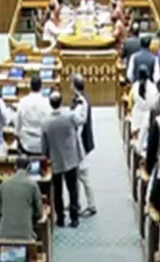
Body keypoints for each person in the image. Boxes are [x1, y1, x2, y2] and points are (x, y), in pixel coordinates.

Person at [42, 91, 83, 227]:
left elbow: (44, 145)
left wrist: (46, 157)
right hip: (71, 158)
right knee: (73, 189)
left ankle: (60, 218)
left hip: (55, 160)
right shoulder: (69, 115)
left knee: (57, 191)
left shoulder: (45, 121)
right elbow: (81, 120)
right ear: (61, 102)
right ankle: (74, 218)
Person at [0, 157, 44, 241]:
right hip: (26, 236)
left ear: (15, 167)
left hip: (4, 236)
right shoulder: (33, 185)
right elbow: (39, 213)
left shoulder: (3, 185)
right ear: (29, 168)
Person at [69, 74, 96, 217]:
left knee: (84, 176)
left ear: (75, 86)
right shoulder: (80, 98)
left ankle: (92, 206)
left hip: (81, 144)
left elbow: (79, 124)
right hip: (79, 144)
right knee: (76, 175)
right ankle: (76, 202)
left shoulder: (81, 102)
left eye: (71, 83)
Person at [14, 75, 51, 155]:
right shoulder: (47, 103)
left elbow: (17, 125)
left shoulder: (23, 102)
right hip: (42, 143)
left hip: (26, 144)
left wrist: (17, 135)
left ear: (30, 86)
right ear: (41, 87)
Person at [131, 65, 160, 154]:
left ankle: (137, 152)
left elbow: (132, 100)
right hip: (149, 115)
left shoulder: (135, 86)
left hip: (137, 115)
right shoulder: (153, 87)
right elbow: (155, 102)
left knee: (137, 139)